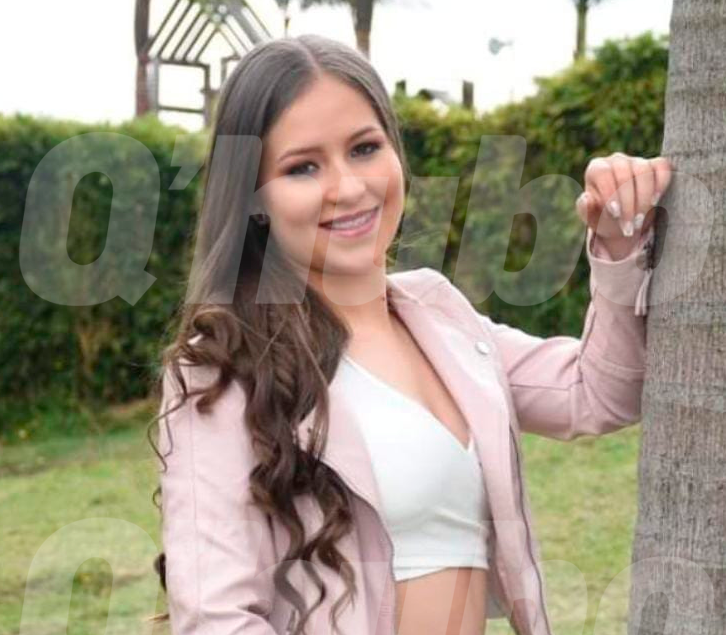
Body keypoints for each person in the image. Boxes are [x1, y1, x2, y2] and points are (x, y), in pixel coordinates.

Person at [149, 34, 673, 635]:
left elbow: (598, 393)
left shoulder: (438, 313)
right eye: (302, 167)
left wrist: (619, 241)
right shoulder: (222, 367)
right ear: (255, 198)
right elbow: (217, 619)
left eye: (365, 148)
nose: (348, 187)